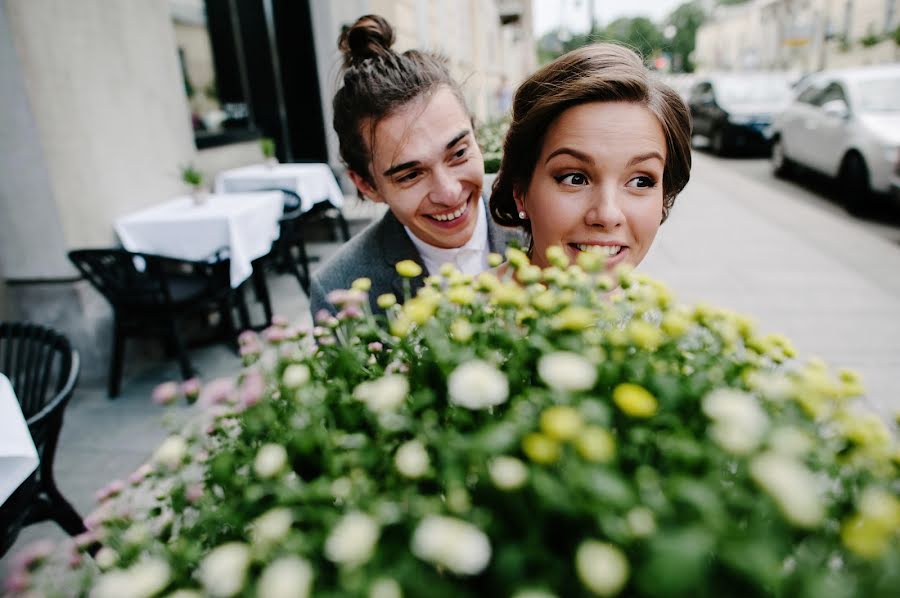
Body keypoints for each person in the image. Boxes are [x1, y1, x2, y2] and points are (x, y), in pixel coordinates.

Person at [310, 15, 521, 316]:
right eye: (411, 174)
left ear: (477, 137)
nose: (448, 193)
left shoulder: (538, 216)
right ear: (367, 185)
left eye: (458, 153)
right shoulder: (339, 291)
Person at [490, 43, 692, 275]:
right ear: (520, 192)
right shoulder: (463, 309)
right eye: (575, 178)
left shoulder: (660, 311)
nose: (607, 215)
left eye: (640, 181)